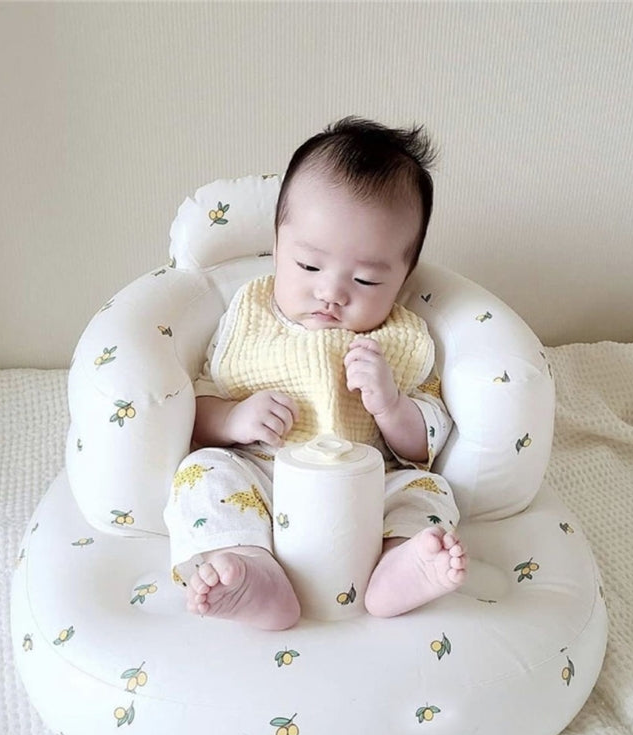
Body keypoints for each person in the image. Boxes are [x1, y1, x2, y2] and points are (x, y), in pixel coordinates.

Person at [164, 117, 465, 630]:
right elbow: (198, 408)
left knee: (426, 491)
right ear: (277, 247)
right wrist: (233, 419)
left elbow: (424, 445)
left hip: (366, 485)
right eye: (308, 267)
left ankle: (399, 566)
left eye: (365, 279)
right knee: (204, 473)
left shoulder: (400, 339)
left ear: (403, 278)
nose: (331, 292)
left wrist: (391, 405)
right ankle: (251, 570)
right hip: (263, 477)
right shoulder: (250, 317)